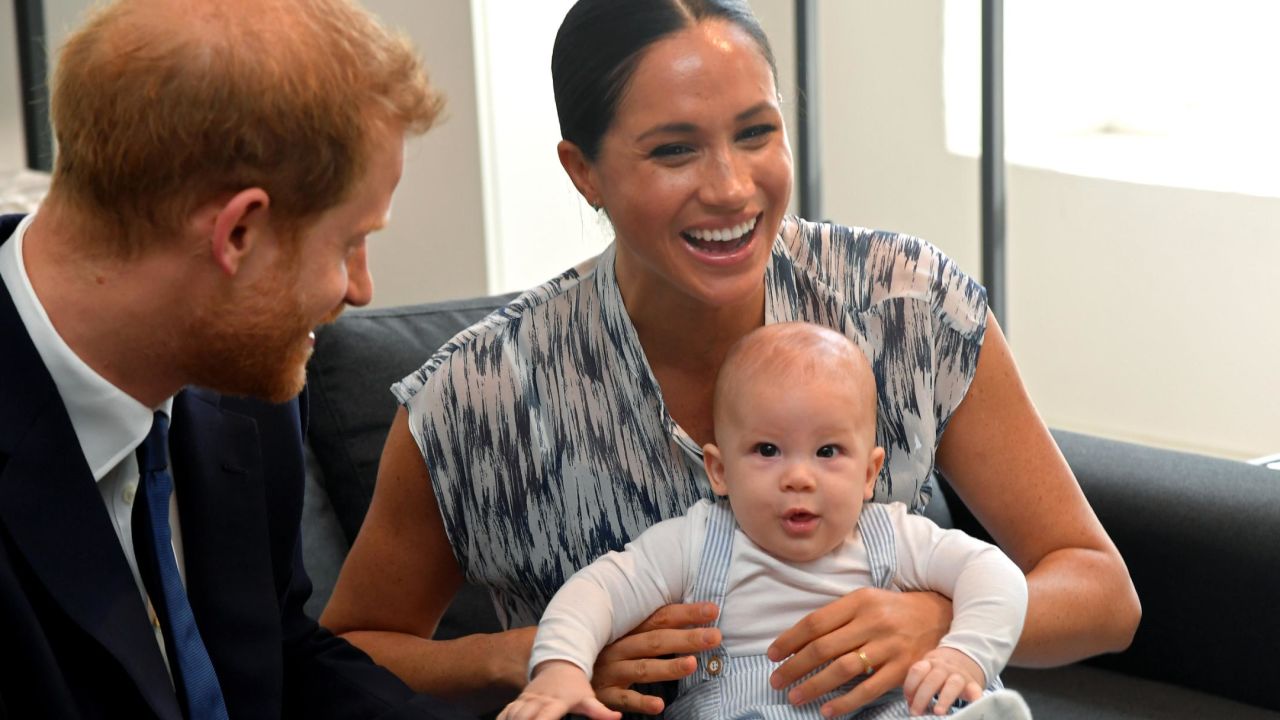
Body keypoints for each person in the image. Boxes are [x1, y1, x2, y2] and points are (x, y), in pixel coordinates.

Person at [323, 0, 1140, 716]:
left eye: (757, 134)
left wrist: (936, 620)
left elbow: (1102, 591)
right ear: (585, 173)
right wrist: (528, 655)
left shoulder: (907, 305)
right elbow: (346, 654)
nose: (732, 189)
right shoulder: (480, 396)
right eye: (674, 150)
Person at [0, 0, 469, 718]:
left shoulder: (247, 390)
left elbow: (280, 653)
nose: (362, 289)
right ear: (239, 231)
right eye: (349, 243)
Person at [500, 323, 1031, 720]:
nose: (798, 477)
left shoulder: (891, 535)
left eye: (827, 451)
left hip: (881, 706)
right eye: (767, 450)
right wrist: (561, 668)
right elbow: (597, 590)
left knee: (935, 704)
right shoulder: (697, 541)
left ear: (870, 474)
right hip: (743, 709)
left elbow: (993, 572)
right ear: (719, 470)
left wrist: (965, 654)